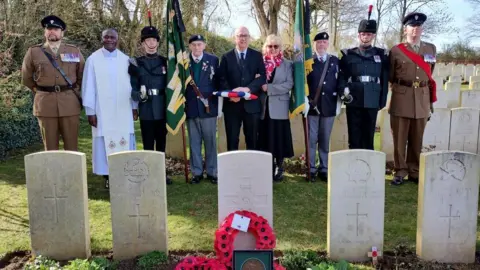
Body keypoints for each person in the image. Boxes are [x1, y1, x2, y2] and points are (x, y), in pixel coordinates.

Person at [82, 29, 139, 189]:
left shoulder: (126, 60)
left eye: (112, 37)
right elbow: (88, 86)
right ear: (102, 39)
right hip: (102, 111)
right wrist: (90, 111)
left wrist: (134, 107)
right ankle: (108, 177)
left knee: (124, 140)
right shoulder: (93, 60)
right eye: (106, 37)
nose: (109, 40)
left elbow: (132, 86)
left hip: (123, 110)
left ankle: (125, 173)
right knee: (104, 140)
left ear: (117, 39)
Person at [21, 15, 84, 151]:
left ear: (62, 32)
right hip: (45, 105)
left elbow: (82, 75)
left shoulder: (73, 51)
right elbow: (26, 77)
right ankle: (52, 173)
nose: (52, 31)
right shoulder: (33, 52)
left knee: (72, 146)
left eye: (55, 29)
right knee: (49, 147)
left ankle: (72, 172)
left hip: (69, 104)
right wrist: (39, 91)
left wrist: (75, 90)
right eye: (49, 28)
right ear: (45, 32)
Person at [388, 12, 437, 186]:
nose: (415, 30)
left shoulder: (430, 49)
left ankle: (414, 171)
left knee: (418, 137)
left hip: (422, 98)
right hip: (402, 96)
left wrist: (429, 101)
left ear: (422, 29)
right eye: (412, 26)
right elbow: (391, 75)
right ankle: (400, 170)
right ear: (405, 29)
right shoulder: (396, 51)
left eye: (418, 27)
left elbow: (430, 74)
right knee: (400, 137)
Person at [128, 23, 173, 185]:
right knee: (148, 143)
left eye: (154, 40)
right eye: (148, 40)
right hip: (146, 107)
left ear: (158, 43)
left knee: (161, 142)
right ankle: (147, 173)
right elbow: (132, 86)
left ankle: (160, 173)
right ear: (142, 43)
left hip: (162, 107)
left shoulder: (166, 63)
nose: (152, 43)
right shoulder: (135, 63)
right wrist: (137, 95)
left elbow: (173, 85)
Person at [337, 12, 389, 150]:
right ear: (359, 35)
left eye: (369, 34)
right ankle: (353, 163)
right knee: (354, 134)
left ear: (373, 36)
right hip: (354, 98)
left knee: (369, 134)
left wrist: (382, 100)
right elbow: (341, 76)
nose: (366, 37)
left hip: (372, 98)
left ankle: (368, 163)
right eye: (363, 34)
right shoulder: (348, 55)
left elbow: (384, 78)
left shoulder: (381, 55)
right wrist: (343, 92)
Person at [217, 26, 266, 151]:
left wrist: (247, 89)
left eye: (245, 35)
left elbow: (262, 78)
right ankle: (233, 169)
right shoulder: (226, 57)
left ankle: (251, 168)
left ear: (249, 38)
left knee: (252, 140)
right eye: (240, 35)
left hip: (252, 106)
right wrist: (233, 95)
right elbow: (221, 79)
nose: (243, 38)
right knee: (232, 140)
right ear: (235, 38)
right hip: (232, 106)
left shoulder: (257, 56)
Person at [258, 34, 294, 182]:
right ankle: (268, 167)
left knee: (279, 137)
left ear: (280, 48)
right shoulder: (259, 63)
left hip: (280, 106)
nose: (272, 49)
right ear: (265, 47)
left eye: (276, 46)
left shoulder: (287, 64)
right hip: (262, 107)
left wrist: (270, 88)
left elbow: (289, 84)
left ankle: (280, 166)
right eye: (269, 46)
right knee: (265, 137)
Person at [306, 32, 341, 182]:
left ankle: (324, 168)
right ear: (314, 44)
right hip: (312, 106)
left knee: (325, 139)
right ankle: (311, 167)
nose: (321, 45)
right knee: (312, 139)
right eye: (318, 42)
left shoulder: (335, 61)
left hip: (329, 105)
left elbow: (340, 80)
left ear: (328, 44)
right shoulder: (308, 61)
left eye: (324, 42)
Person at [185, 34, 219, 184]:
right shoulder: (184, 61)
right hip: (191, 107)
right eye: (194, 45)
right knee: (194, 142)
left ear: (204, 45)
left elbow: (219, 82)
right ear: (190, 47)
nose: (197, 47)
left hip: (208, 107)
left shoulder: (213, 60)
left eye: (199, 44)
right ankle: (197, 172)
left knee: (210, 142)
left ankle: (212, 172)